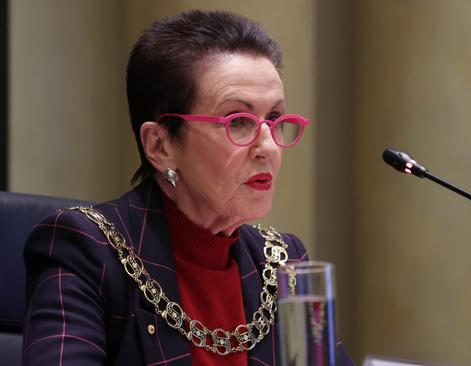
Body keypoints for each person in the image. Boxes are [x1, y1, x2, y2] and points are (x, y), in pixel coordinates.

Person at [23, 10, 353, 365]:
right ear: (160, 146)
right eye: (238, 121)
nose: (269, 147)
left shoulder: (282, 261)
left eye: (274, 119)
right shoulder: (88, 249)